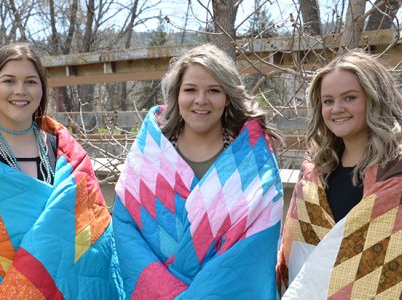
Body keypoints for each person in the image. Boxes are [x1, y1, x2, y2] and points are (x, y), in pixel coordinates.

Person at [276, 50, 402, 299]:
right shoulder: (315, 170)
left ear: (373, 99)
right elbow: (299, 252)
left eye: (349, 98)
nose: (337, 109)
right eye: (328, 101)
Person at [0, 43, 123, 299]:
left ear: (42, 89)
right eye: (9, 81)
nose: (20, 91)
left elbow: (92, 234)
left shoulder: (64, 151)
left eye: (31, 82)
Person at [112, 43, 284, 298]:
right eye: (190, 89)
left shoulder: (253, 162)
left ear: (227, 98)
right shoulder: (149, 156)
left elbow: (254, 249)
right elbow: (127, 232)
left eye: (213, 90)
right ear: (177, 95)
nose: (201, 100)